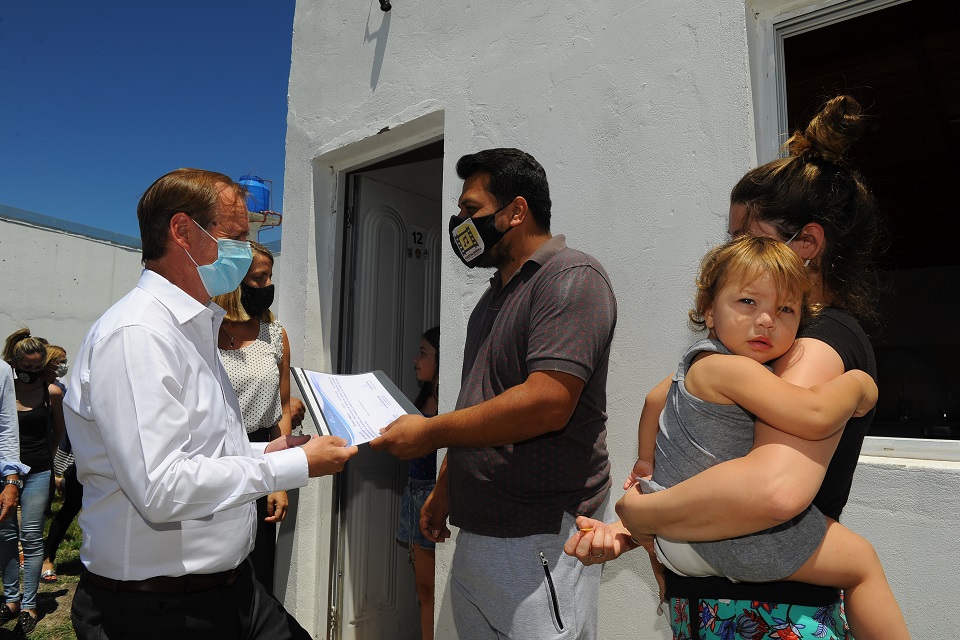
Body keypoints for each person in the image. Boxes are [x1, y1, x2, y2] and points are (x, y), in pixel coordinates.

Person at [567, 96, 897, 639]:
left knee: (860, 563)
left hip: (767, 615)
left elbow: (773, 491)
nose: (734, 253)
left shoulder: (815, 344)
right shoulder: (751, 355)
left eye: (746, 238)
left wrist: (642, 512)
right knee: (863, 565)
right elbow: (686, 436)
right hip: (725, 607)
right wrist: (639, 517)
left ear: (807, 243)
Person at [62, 168, 359, 640]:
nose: (245, 250)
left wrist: (270, 450)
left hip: (233, 590)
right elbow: (162, 488)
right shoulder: (138, 334)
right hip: (156, 611)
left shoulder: (194, 328)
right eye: (235, 236)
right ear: (182, 231)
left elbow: (205, 450)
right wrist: (292, 466)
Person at [371, 148, 617, 640]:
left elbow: (549, 401)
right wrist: (446, 487)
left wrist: (429, 434)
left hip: (541, 535)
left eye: (471, 209)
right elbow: (479, 403)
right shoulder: (490, 299)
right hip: (480, 531)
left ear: (516, 211)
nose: (460, 223)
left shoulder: (571, 277)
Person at [624, 235, 906, 639]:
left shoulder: (694, 367)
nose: (767, 320)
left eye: (785, 309)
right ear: (709, 310)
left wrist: (646, 463)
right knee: (862, 564)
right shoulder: (732, 370)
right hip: (723, 538)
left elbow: (654, 400)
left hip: (675, 536)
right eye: (748, 302)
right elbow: (814, 414)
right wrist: (858, 385)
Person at [213, 240, 293, 595]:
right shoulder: (202, 331)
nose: (267, 286)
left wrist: (279, 480)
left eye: (269, 277)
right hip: (209, 460)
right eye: (259, 278)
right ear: (233, 281)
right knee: (213, 569)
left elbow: (284, 409)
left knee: (257, 570)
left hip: (260, 457)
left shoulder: (274, 334)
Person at [0, 329, 64, 635]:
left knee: (32, 535)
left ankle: (29, 604)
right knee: (5, 535)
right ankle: (11, 599)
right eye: (27, 367)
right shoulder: (5, 388)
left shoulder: (51, 392)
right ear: (15, 364)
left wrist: (47, 460)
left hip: (38, 471)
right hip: (5, 474)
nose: (33, 372)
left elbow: (58, 430)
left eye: (39, 367)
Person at [396, 326, 440, 640]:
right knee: (423, 591)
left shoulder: (449, 403)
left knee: (432, 592)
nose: (415, 359)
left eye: (423, 353)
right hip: (414, 493)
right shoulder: (423, 399)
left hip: (434, 497)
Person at [40, 344, 76, 584]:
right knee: (70, 507)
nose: (64, 365)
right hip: (49, 454)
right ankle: (47, 557)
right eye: (60, 361)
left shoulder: (62, 388)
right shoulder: (53, 390)